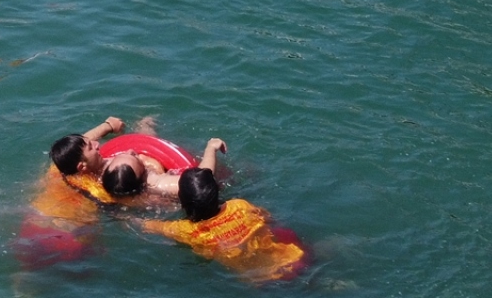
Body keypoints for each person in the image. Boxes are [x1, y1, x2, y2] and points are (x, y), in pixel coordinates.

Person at [139, 142, 310, 283]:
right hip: (296, 258)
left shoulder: (186, 230)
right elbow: (268, 219)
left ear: (182, 203)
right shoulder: (239, 205)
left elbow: (144, 225)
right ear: (217, 191)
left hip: (265, 280)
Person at [49, 116, 185, 206]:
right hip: (149, 182)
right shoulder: (106, 183)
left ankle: (146, 125)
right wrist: (152, 164)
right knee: (146, 131)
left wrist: (107, 126)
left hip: (136, 170)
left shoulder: (67, 169)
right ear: (82, 167)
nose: (97, 144)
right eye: (91, 147)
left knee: (144, 126)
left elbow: (78, 145)